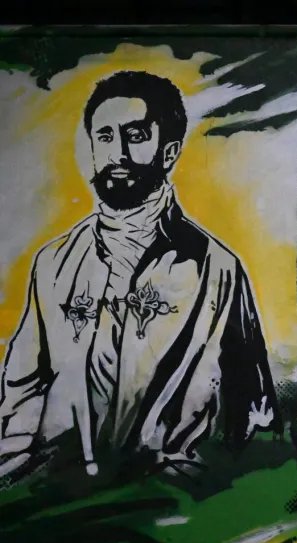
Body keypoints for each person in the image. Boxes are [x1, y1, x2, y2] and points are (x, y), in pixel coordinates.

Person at [0, 70, 279, 486]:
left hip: (172, 499)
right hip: (62, 496)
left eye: (135, 135)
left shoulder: (217, 268)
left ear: (169, 152)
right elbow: (21, 389)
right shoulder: (54, 264)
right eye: (105, 137)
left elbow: (253, 409)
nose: (118, 154)